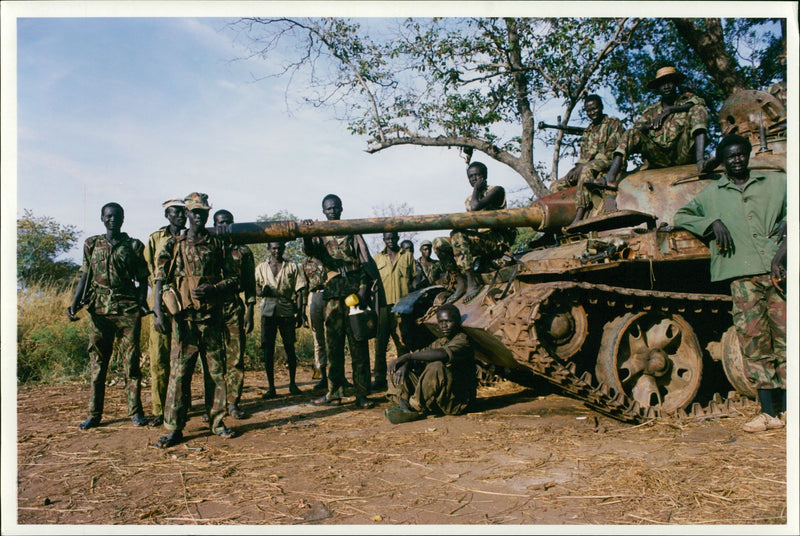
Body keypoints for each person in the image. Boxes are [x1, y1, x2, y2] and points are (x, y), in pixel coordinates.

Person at [673, 134, 786, 433]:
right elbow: (682, 214)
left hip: (779, 272)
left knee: (788, 338)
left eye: (740, 154)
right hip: (742, 275)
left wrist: (787, 235)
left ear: (747, 155)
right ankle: (768, 412)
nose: (736, 160)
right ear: (723, 161)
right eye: (730, 156)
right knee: (754, 341)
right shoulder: (712, 194)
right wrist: (711, 223)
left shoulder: (775, 182)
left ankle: (789, 409)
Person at [152, 192, 238, 448]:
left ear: (208, 214)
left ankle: (217, 422)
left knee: (216, 373)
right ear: (187, 214)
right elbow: (159, 280)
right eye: (194, 212)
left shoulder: (218, 244)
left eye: (202, 212)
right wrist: (158, 312)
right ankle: (173, 427)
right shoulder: (173, 244)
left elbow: (234, 279)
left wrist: (214, 288)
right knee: (179, 375)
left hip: (211, 318)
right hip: (184, 321)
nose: (198, 216)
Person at [67, 202, 149, 430]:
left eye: (117, 216)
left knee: (131, 364)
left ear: (123, 218)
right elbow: (85, 277)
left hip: (126, 308)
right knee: (98, 364)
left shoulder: (133, 246)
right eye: (109, 216)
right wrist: (74, 305)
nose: (113, 219)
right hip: (99, 310)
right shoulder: (92, 244)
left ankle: (136, 412)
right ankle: (94, 415)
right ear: (102, 218)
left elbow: (143, 278)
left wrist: (141, 303)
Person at [303, 194, 382, 409]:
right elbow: (311, 251)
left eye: (335, 208)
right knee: (333, 348)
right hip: (333, 296)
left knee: (359, 346)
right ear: (323, 210)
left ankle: (362, 394)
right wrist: (307, 232)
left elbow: (365, 260)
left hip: (355, 294)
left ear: (341, 208)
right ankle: (334, 393)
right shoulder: (319, 233)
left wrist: (365, 288)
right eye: (328, 208)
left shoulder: (352, 231)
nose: (332, 211)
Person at [603, 65, 708, 186]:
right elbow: (636, 129)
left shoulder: (686, 100)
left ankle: (700, 162)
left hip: (682, 153)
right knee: (630, 133)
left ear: (676, 83)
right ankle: (610, 177)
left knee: (698, 110)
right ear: (658, 88)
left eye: (669, 82)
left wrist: (670, 110)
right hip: (659, 157)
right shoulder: (650, 111)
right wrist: (649, 126)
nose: (666, 86)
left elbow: (699, 102)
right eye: (662, 84)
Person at [433, 162, 516, 302]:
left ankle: (472, 282)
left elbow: (475, 207)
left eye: (477, 175)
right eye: (471, 177)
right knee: (438, 243)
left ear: (485, 176)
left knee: (458, 234)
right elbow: (472, 208)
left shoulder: (496, 190)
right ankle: (461, 281)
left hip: (496, 240)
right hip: (480, 240)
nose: (474, 179)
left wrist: (476, 189)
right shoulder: (469, 199)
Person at [385, 304, 477, 424]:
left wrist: (408, 356)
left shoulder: (463, 340)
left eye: (448, 321)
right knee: (396, 368)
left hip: (457, 400)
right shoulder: (441, 341)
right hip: (439, 398)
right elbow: (421, 355)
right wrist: (406, 364)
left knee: (436, 366)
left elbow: (443, 354)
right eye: (441, 322)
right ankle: (403, 404)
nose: (444, 325)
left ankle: (414, 408)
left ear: (457, 321)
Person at [208, 209, 256, 420]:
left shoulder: (243, 252)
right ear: (214, 224)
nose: (223, 226)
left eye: (227, 222)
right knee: (213, 360)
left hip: (234, 308)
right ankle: (214, 404)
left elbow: (250, 284)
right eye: (219, 223)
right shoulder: (207, 248)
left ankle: (233, 403)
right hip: (211, 308)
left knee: (235, 359)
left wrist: (251, 311)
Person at [143, 199, 186, 427]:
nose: (179, 215)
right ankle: (160, 409)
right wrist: (157, 308)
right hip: (161, 301)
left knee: (183, 358)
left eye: (182, 212)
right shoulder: (155, 239)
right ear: (167, 215)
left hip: (186, 303)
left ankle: (181, 406)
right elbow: (151, 271)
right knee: (159, 358)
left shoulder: (191, 237)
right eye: (174, 212)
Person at [549, 94, 624, 224]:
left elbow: (611, 151)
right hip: (590, 164)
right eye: (589, 110)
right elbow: (584, 157)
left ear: (601, 107)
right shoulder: (588, 131)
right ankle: (560, 221)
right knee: (556, 185)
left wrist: (584, 166)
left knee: (585, 171)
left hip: (609, 163)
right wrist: (575, 169)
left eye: (594, 108)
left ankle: (580, 214)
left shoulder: (613, 123)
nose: (592, 112)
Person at [255, 241, 307, 398]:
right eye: (274, 248)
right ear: (269, 249)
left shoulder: (291, 266)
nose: (277, 251)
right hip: (268, 310)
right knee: (268, 349)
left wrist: (299, 312)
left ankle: (292, 383)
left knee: (290, 347)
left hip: (286, 309)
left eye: (279, 248)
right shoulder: (261, 268)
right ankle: (271, 387)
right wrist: (261, 292)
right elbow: (255, 288)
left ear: (284, 249)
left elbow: (299, 290)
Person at [372, 232, 416, 391]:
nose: (390, 241)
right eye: (387, 238)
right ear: (383, 240)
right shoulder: (377, 259)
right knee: (380, 344)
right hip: (383, 307)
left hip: (402, 307)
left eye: (393, 238)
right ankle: (379, 378)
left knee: (402, 343)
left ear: (398, 238)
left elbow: (415, 280)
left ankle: (404, 376)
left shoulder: (407, 256)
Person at [302, 256, 329, 390]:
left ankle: (338, 376)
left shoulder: (329, 257)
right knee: (318, 339)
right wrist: (302, 310)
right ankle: (323, 376)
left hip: (330, 295)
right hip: (314, 297)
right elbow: (304, 287)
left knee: (335, 337)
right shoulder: (306, 263)